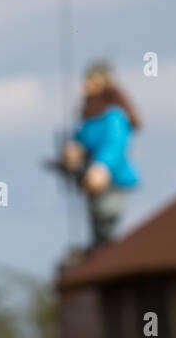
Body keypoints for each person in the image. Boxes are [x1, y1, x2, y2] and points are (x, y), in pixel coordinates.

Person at [60, 60, 141, 248]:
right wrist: (73, 153)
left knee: (108, 225)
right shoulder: (88, 120)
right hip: (90, 185)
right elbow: (80, 142)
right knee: (97, 233)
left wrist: (101, 167)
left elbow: (115, 145)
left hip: (110, 182)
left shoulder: (114, 116)